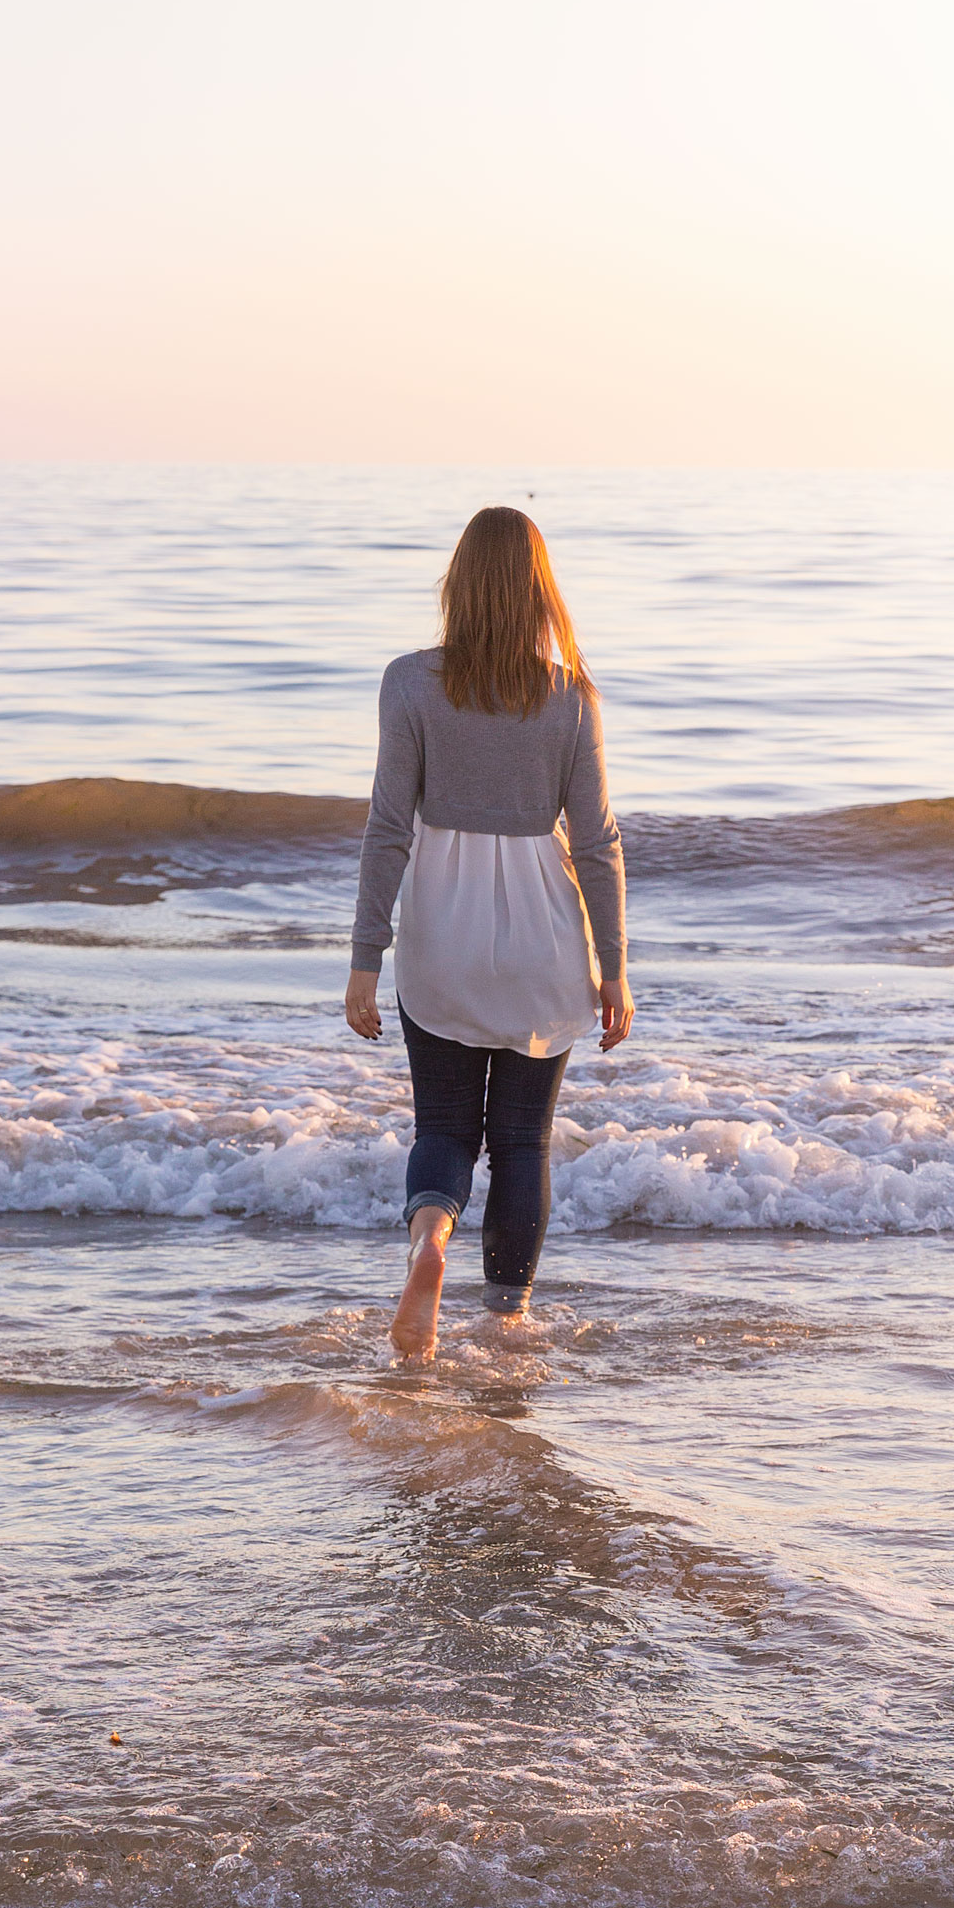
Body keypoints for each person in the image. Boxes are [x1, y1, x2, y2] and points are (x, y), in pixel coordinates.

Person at [344, 505, 632, 1357]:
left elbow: (387, 828)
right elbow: (599, 841)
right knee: (519, 1139)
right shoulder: (571, 697)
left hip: (442, 927)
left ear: (457, 585)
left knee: (443, 1129)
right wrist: (613, 967)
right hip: (543, 930)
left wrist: (366, 957)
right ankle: (506, 1319)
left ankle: (429, 1241)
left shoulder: (408, 682)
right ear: (540, 590)